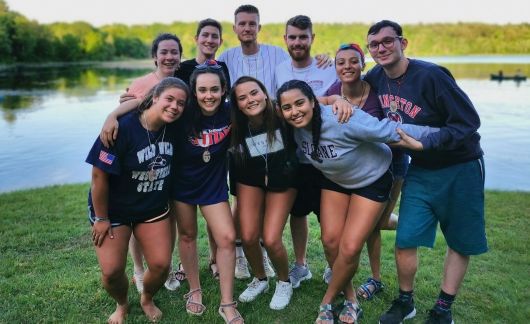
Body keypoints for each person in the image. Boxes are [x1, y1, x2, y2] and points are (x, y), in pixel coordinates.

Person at [276, 79, 438, 324]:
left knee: (350, 247)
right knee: (331, 242)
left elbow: (389, 130)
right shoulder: (291, 125)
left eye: (300, 103)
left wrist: (443, 135)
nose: (294, 111)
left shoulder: (342, 119)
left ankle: (327, 302)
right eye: (287, 108)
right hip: (335, 180)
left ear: (312, 102)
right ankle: (351, 299)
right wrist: (332, 97)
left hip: (371, 179)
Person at [363, 20, 487, 324]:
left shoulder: (432, 76)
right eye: (374, 44)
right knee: (406, 238)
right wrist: (328, 71)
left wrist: (426, 143)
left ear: (403, 43)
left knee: (459, 240)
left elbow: (468, 123)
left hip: (461, 165)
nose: (381, 48)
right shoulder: (376, 76)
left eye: (387, 41)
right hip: (420, 168)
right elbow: (351, 88)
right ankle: (406, 302)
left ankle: (443, 308)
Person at [86, 77, 189, 324]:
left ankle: (146, 298)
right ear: (154, 98)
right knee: (111, 272)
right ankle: (122, 304)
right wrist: (101, 218)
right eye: (169, 99)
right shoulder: (121, 128)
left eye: (181, 103)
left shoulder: (175, 127)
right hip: (114, 210)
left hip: (151, 208)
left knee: (161, 265)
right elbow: (99, 176)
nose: (175, 106)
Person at [322, 43, 408, 300]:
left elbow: (394, 127)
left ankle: (405, 226)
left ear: (363, 64)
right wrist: (334, 99)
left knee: (377, 224)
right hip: (355, 169)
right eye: (340, 62)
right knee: (365, 227)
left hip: (391, 164)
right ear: (335, 67)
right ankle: (366, 276)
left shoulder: (378, 92)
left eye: (353, 61)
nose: (347, 66)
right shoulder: (333, 91)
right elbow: (312, 105)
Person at [99, 33, 184, 293]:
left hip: (168, 158)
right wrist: (112, 115)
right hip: (140, 160)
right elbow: (137, 105)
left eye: (174, 52)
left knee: (164, 216)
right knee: (137, 216)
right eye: (164, 52)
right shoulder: (141, 83)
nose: (169, 56)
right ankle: (138, 269)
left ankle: (163, 269)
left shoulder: (185, 78)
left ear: (181, 56)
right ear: (154, 56)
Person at [172, 61, 243, 324]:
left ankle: (227, 302)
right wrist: (114, 115)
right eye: (202, 90)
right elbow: (149, 104)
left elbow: (265, 105)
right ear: (193, 91)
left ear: (224, 89)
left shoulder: (231, 112)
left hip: (213, 185)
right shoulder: (182, 112)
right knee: (188, 235)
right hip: (182, 185)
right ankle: (195, 289)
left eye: (214, 89)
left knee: (226, 237)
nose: (208, 95)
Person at [274, 14, 337, 289]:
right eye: (292, 37)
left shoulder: (329, 67)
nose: (297, 42)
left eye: (303, 36)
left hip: (327, 158)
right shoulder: (279, 70)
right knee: (297, 214)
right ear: (285, 39)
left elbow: (342, 99)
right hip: (297, 156)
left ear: (312, 38)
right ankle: (301, 266)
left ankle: (334, 266)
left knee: (329, 217)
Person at [229, 76, 298, 309]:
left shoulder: (282, 113)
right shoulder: (237, 125)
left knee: (270, 238)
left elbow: (313, 103)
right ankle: (260, 278)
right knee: (247, 236)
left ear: (265, 93)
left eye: (254, 93)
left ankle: (284, 281)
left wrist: (338, 99)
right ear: (236, 104)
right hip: (250, 179)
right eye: (242, 97)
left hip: (283, 179)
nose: (250, 100)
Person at [174, 17, 230, 282]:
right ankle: (187, 268)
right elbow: (165, 98)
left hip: (213, 156)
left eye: (214, 36)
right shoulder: (182, 68)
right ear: (196, 38)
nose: (209, 40)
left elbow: (227, 103)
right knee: (186, 229)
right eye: (205, 35)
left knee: (215, 220)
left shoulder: (223, 68)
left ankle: (215, 259)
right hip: (188, 153)